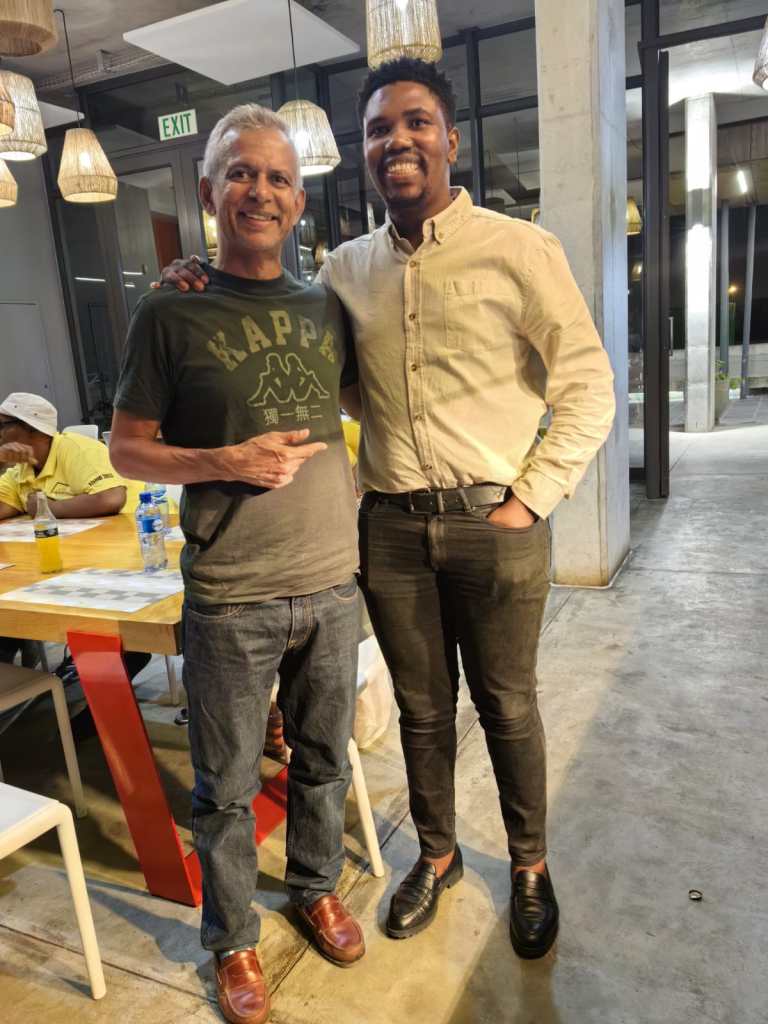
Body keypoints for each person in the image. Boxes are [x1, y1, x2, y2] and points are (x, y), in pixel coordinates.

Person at [161, 59, 616, 961]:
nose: (396, 141)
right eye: (377, 129)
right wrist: (197, 281)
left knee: (508, 706)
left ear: (451, 140)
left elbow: (590, 386)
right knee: (420, 709)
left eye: (415, 123)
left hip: (497, 521)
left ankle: (529, 865)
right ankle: (438, 855)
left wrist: (530, 499)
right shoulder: (345, 269)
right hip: (392, 529)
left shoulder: (520, 249)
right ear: (364, 152)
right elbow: (322, 372)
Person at [109, 104, 365, 1024]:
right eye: (242, 173)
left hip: (332, 580)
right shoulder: (169, 312)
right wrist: (226, 460)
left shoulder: (327, 306)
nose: (261, 191)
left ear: (299, 200)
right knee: (223, 788)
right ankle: (233, 941)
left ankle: (315, 887)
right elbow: (126, 449)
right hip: (229, 596)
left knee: (323, 762)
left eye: (279, 177)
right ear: (210, 189)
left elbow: (367, 400)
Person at [0, 392, 145, 674]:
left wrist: (46, 508)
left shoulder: (75, 449)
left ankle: (115, 661)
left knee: (98, 626)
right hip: (70, 558)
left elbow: (111, 498)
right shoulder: (20, 469)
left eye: (3, 425)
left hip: (127, 550)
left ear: (32, 428)